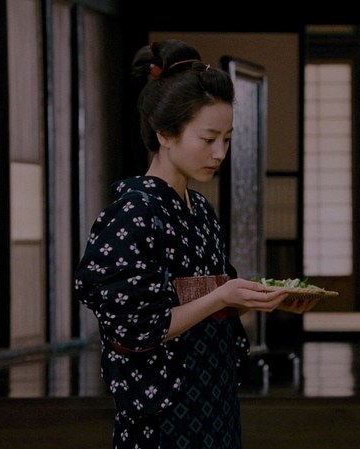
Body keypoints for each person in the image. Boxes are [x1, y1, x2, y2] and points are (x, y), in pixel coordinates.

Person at [73, 39, 313, 449]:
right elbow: (138, 327)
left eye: (227, 139)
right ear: (164, 134)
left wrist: (265, 299)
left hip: (212, 392)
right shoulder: (133, 213)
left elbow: (210, 297)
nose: (220, 153)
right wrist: (222, 297)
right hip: (164, 404)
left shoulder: (199, 208)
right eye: (208, 139)